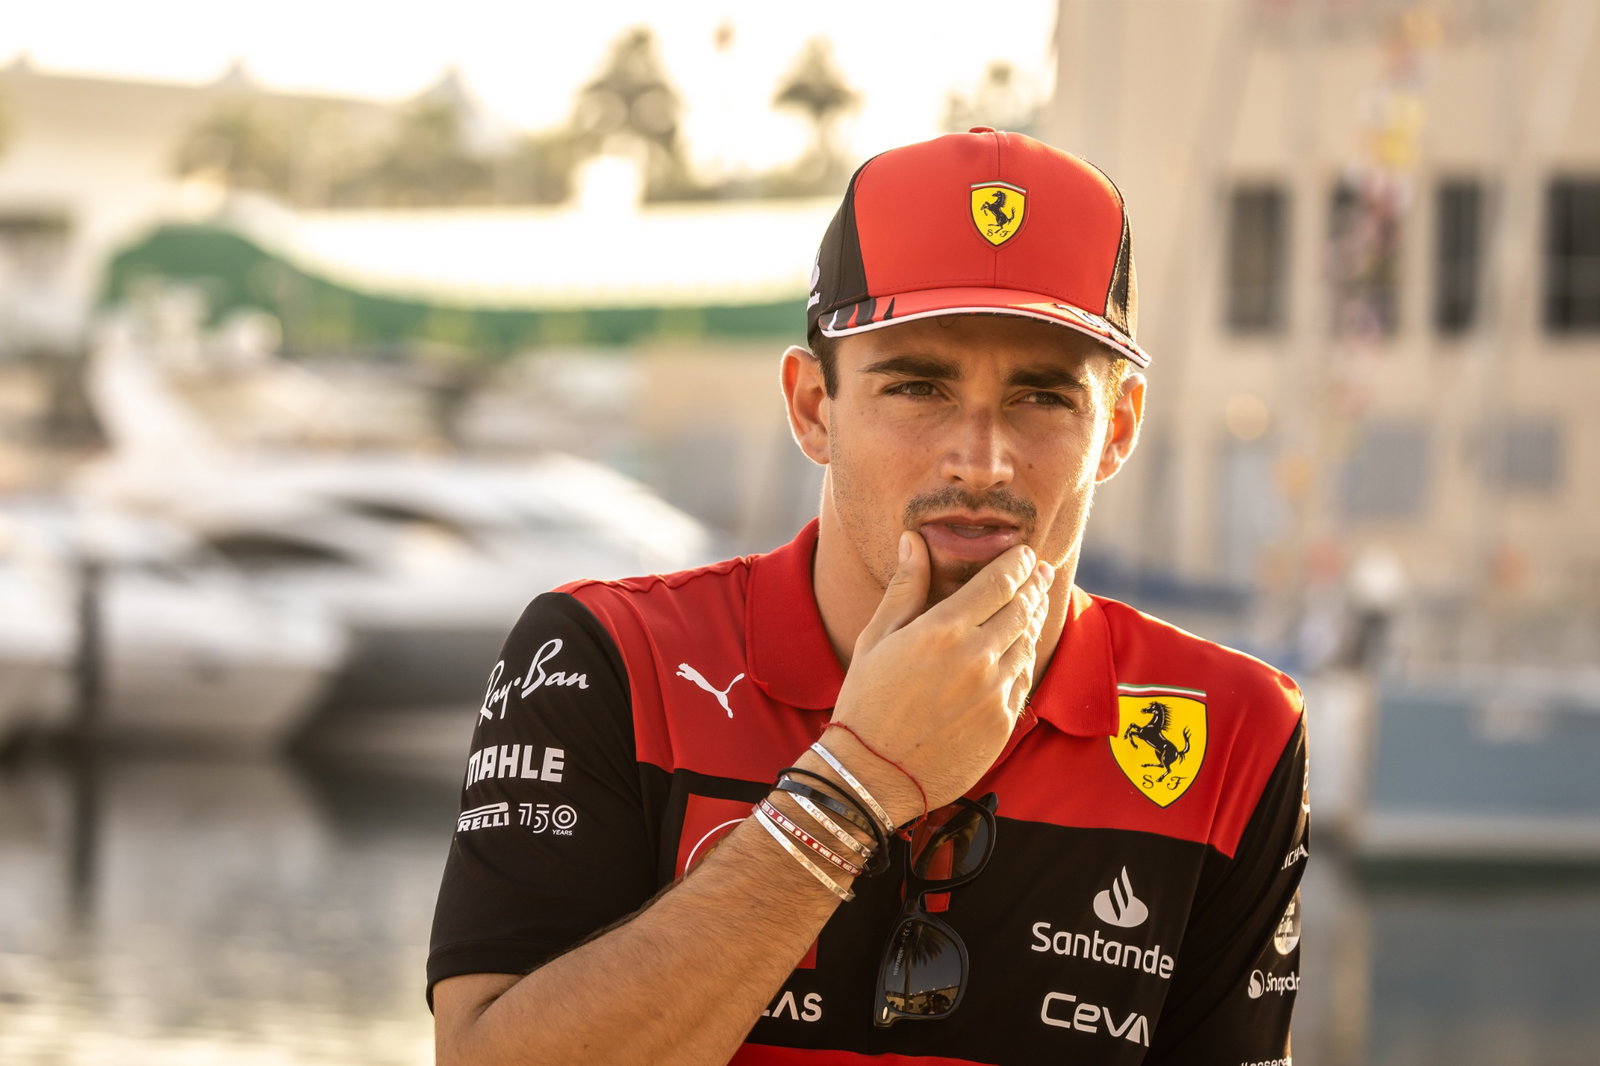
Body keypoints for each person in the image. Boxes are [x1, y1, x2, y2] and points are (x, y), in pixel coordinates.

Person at [428, 127, 1309, 1065]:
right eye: (919, 387)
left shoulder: (1234, 727)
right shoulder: (608, 655)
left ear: (1119, 428)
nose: (981, 460)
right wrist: (851, 788)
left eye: (1043, 398)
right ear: (813, 408)